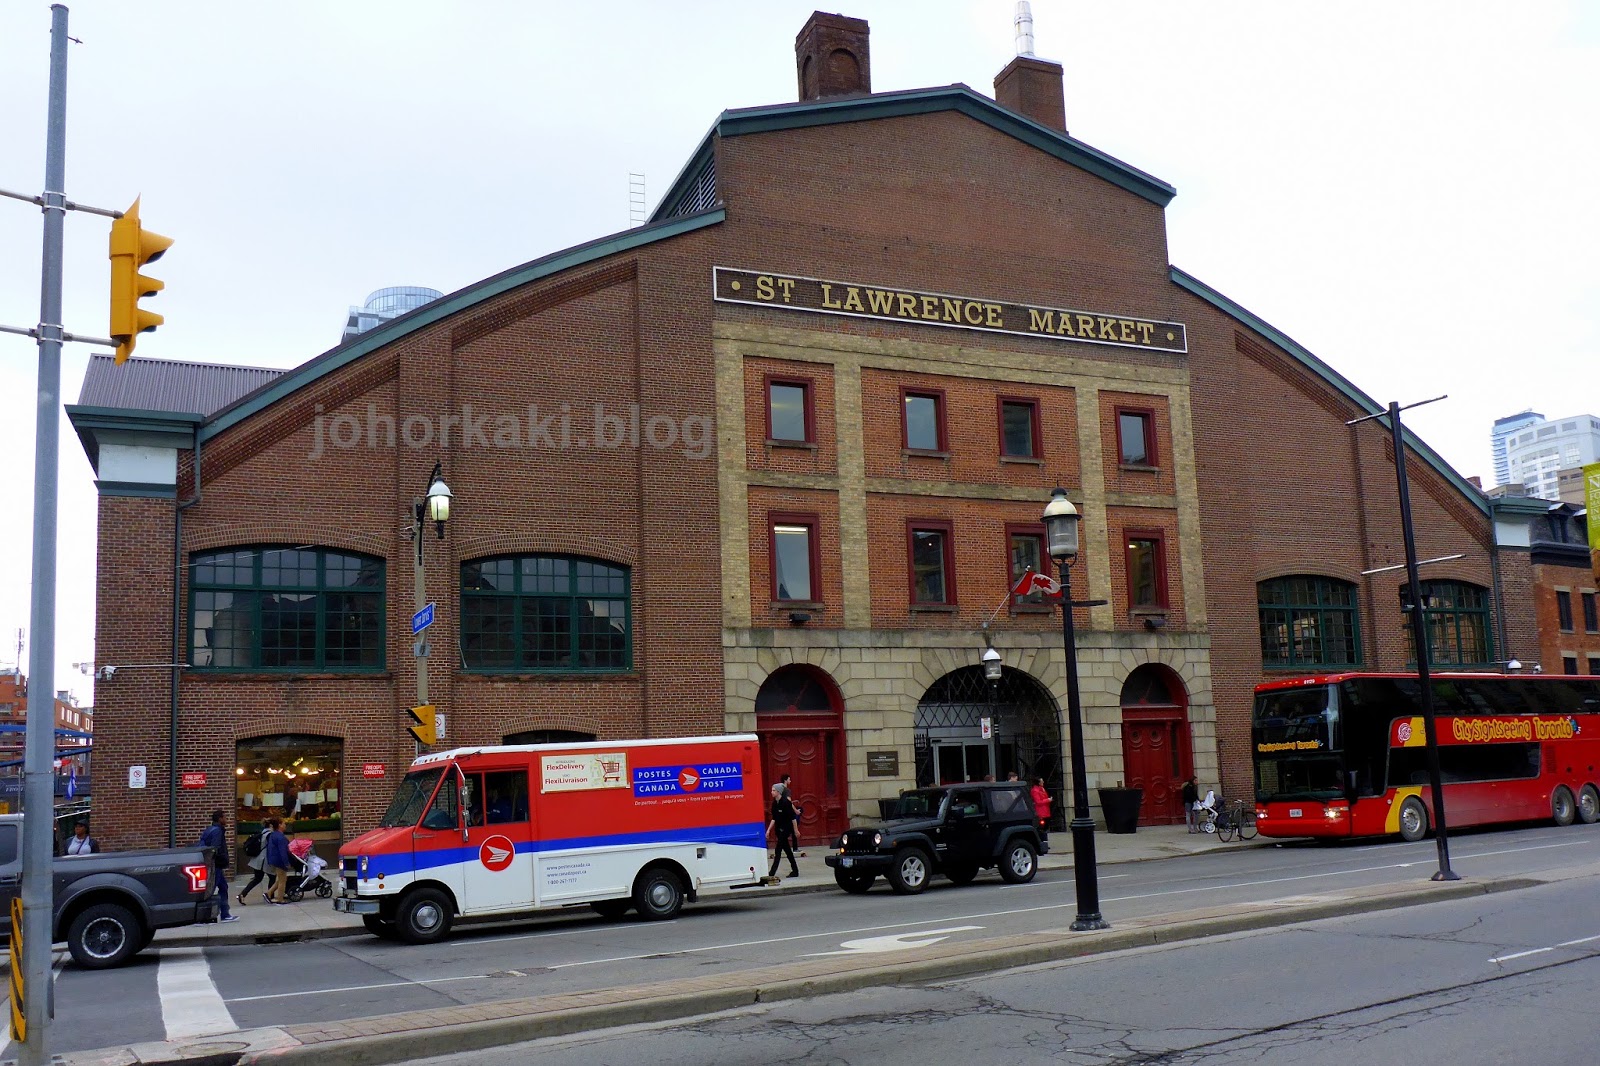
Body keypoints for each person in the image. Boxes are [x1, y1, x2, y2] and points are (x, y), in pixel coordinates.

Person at [198, 809, 239, 922]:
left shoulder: (210, 829)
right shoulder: (217, 831)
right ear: (220, 818)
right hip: (216, 866)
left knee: (222, 887)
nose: (226, 819)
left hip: (214, 865)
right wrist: (221, 860)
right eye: (225, 817)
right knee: (211, 890)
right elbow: (215, 849)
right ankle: (205, 917)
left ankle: (225, 913)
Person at [767, 784, 800, 879]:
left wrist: (796, 830)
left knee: (778, 850)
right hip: (779, 829)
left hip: (786, 829)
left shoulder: (786, 803)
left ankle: (772, 873)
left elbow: (793, 818)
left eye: (773, 790)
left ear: (778, 792)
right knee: (788, 851)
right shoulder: (774, 803)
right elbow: (774, 818)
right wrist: (768, 830)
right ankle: (795, 870)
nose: (771, 792)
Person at [237, 821, 270, 904]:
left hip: (257, 860)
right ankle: (270, 896)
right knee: (273, 877)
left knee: (257, 878)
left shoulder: (261, 833)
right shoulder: (269, 835)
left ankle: (242, 894)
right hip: (264, 860)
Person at [263, 817, 292, 904]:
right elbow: (282, 851)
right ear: (279, 825)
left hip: (274, 859)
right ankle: (280, 899)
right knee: (283, 880)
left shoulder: (273, 834)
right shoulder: (280, 837)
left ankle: (268, 893)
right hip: (279, 861)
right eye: (283, 823)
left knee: (280, 879)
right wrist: (286, 862)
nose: (285, 825)